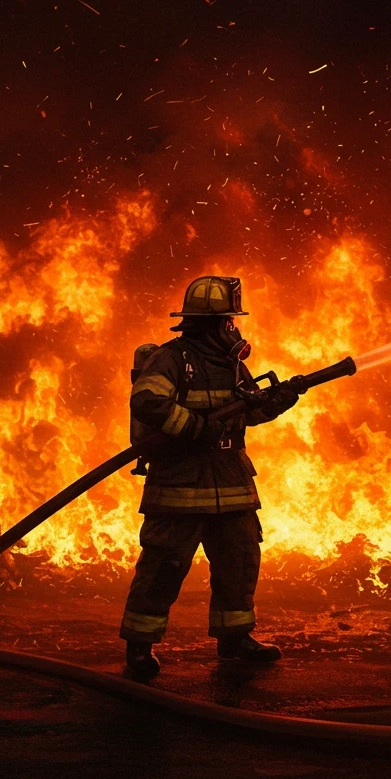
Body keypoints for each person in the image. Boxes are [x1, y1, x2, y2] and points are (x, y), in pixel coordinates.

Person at [119, 275, 297, 677]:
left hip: (231, 485)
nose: (234, 328)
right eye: (229, 321)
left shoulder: (232, 366)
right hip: (179, 487)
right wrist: (196, 428)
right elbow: (147, 401)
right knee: (163, 568)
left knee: (240, 560)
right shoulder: (171, 359)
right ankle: (139, 646)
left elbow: (249, 411)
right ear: (213, 324)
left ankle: (235, 638)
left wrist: (279, 401)